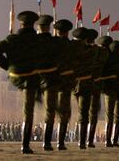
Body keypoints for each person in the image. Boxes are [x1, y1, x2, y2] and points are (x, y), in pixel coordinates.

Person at [0, 11, 41, 154]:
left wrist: (8, 66)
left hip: (15, 75)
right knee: (28, 111)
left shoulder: (13, 39)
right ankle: (25, 145)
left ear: (21, 23)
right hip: (31, 77)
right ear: (33, 24)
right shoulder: (38, 41)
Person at [35, 14, 62, 151]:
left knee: (27, 112)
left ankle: (25, 144)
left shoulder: (33, 41)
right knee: (50, 111)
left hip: (35, 77)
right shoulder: (55, 42)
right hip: (51, 78)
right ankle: (47, 142)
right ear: (49, 27)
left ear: (38, 27)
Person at [53, 19, 75, 150]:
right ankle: (60, 142)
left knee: (49, 110)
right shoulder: (72, 46)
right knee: (65, 112)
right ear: (67, 32)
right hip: (66, 81)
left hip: (52, 80)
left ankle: (47, 142)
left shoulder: (52, 44)